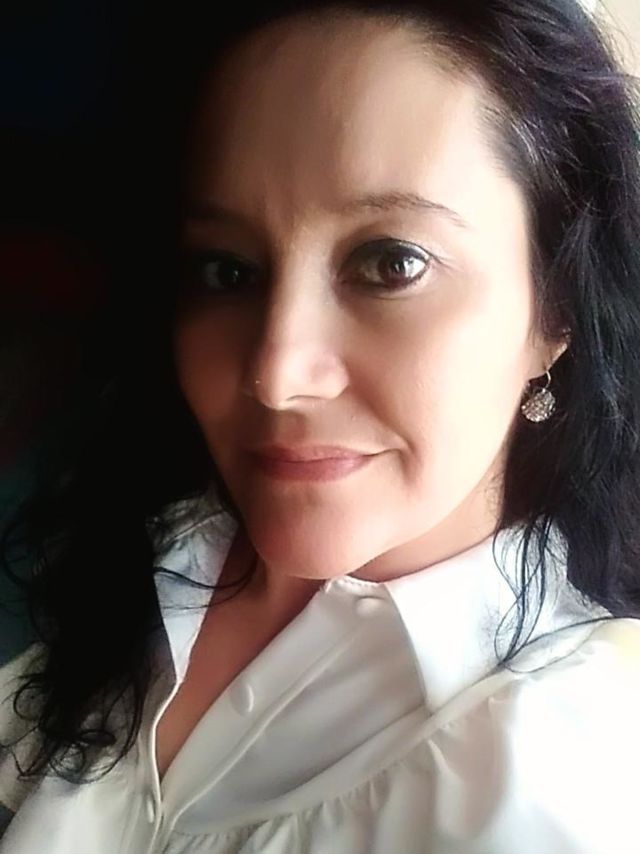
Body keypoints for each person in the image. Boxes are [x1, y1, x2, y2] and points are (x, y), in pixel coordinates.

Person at [1, 0, 640, 850]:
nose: (274, 374)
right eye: (228, 270)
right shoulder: (112, 534)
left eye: (392, 263)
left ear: (554, 311)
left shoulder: (573, 778)